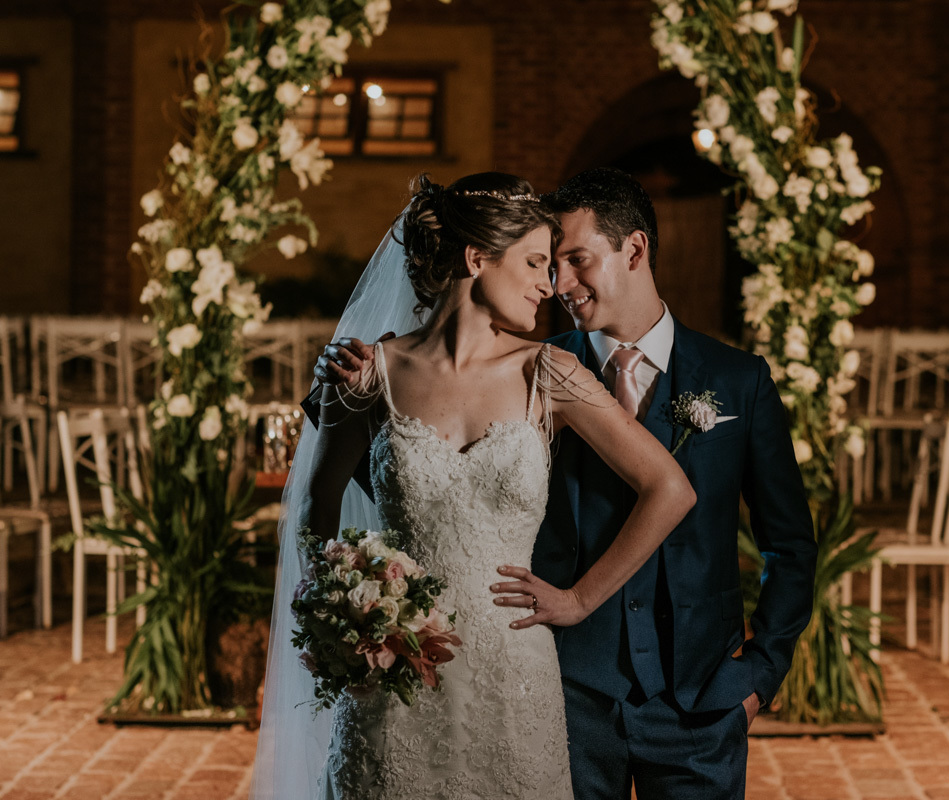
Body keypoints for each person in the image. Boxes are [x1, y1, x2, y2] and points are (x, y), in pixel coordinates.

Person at [316, 168, 817, 800]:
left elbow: (788, 541)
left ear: (633, 251)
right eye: (546, 264)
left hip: (698, 697)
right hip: (566, 688)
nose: (557, 284)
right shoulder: (535, 363)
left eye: (574, 261)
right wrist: (349, 391)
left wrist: (756, 678)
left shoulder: (737, 379)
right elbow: (404, 492)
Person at [250, 172, 696, 800]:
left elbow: (669, 487)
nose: (551, 284)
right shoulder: (370, 371)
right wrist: (344, 614)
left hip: (513, 677)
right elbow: (314, 504)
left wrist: (578, 599)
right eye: (537, 261)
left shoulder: (549, 371)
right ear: (477, 257)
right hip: (395, 674)